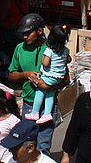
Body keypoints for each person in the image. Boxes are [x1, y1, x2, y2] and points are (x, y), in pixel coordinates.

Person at [8, 16, 62, 153]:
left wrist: (47, 86)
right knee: (27, 144)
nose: (25, 36)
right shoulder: (19, 49)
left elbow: (65, 77)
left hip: (48, 106)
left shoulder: (53, 48)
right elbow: (11, 75)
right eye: (23, 34)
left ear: (39, 31)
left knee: (43, 145)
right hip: (28, 105)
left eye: (28, 33)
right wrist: (24, 75)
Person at [26, 26, 70, 123]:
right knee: (50, 94)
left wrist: (43, 58)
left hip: (48, 77)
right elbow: (68, 59)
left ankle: (35, 112)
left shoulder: (49, 50)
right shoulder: (66, 50)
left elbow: (45, 63)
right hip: (58, 78)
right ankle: (47, 114)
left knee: (40, 92)